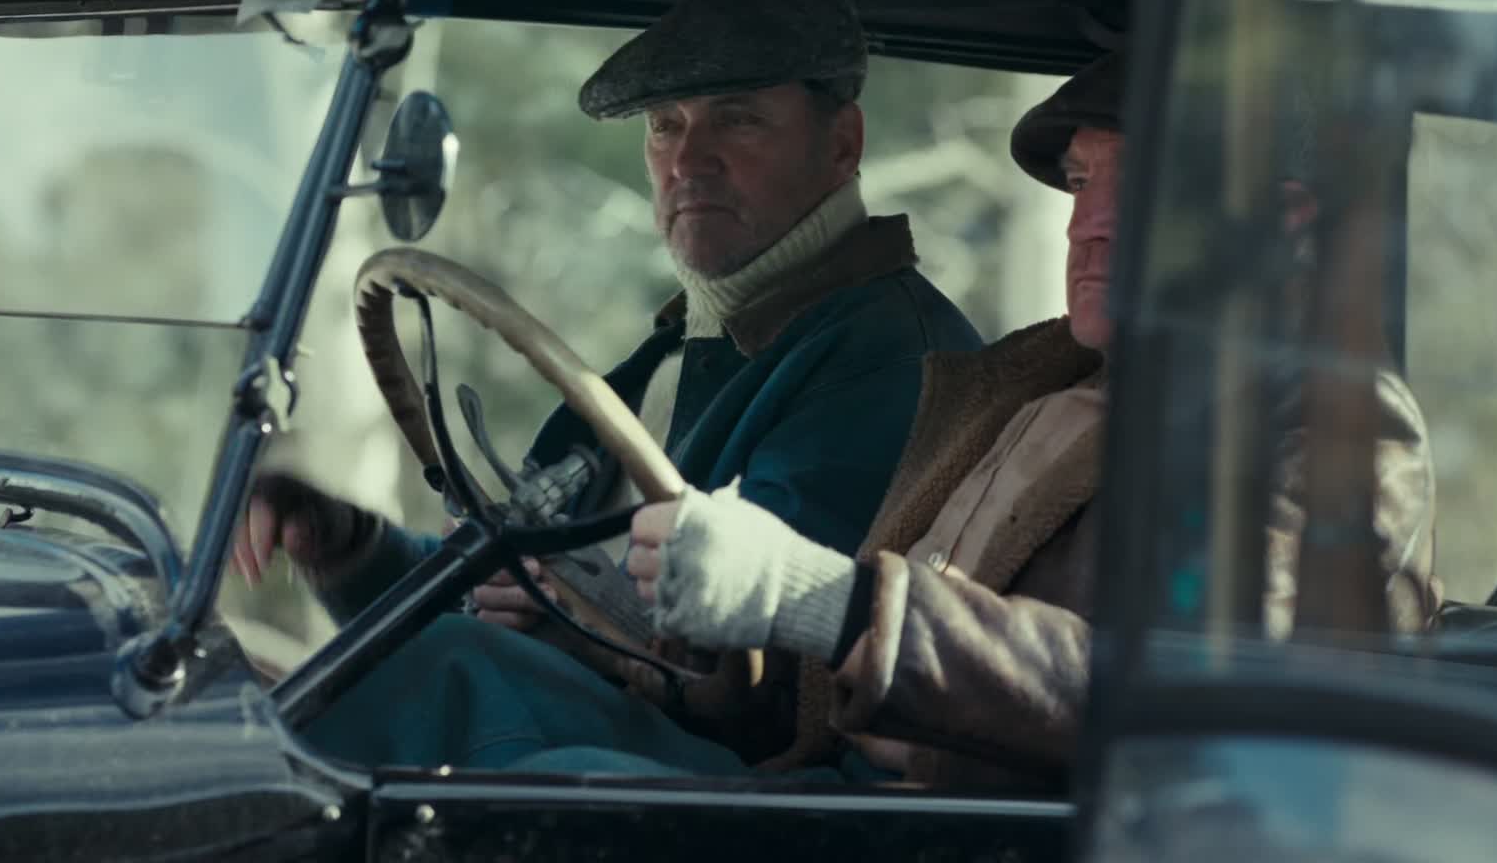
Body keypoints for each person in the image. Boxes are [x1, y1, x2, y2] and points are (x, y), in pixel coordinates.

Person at [613, 49, 1439, 791]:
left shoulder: (1342, 435)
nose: (1090, 225)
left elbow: (1208, 701)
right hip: (837, 795)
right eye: (1080, 183)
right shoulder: (1024, 389)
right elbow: (820, 697)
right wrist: (686, 636)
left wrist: (828, 601)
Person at [241, 0, 982, 766]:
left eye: (738, 119)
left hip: (749, 788)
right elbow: (516, 576)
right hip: (605, 745)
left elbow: (760, 662)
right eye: (665, 125)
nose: (688, 160)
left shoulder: (892, 357)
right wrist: (353, 550)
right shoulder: (683, 348)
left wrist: (564, 617)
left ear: (842, 145)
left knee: (430, 680)